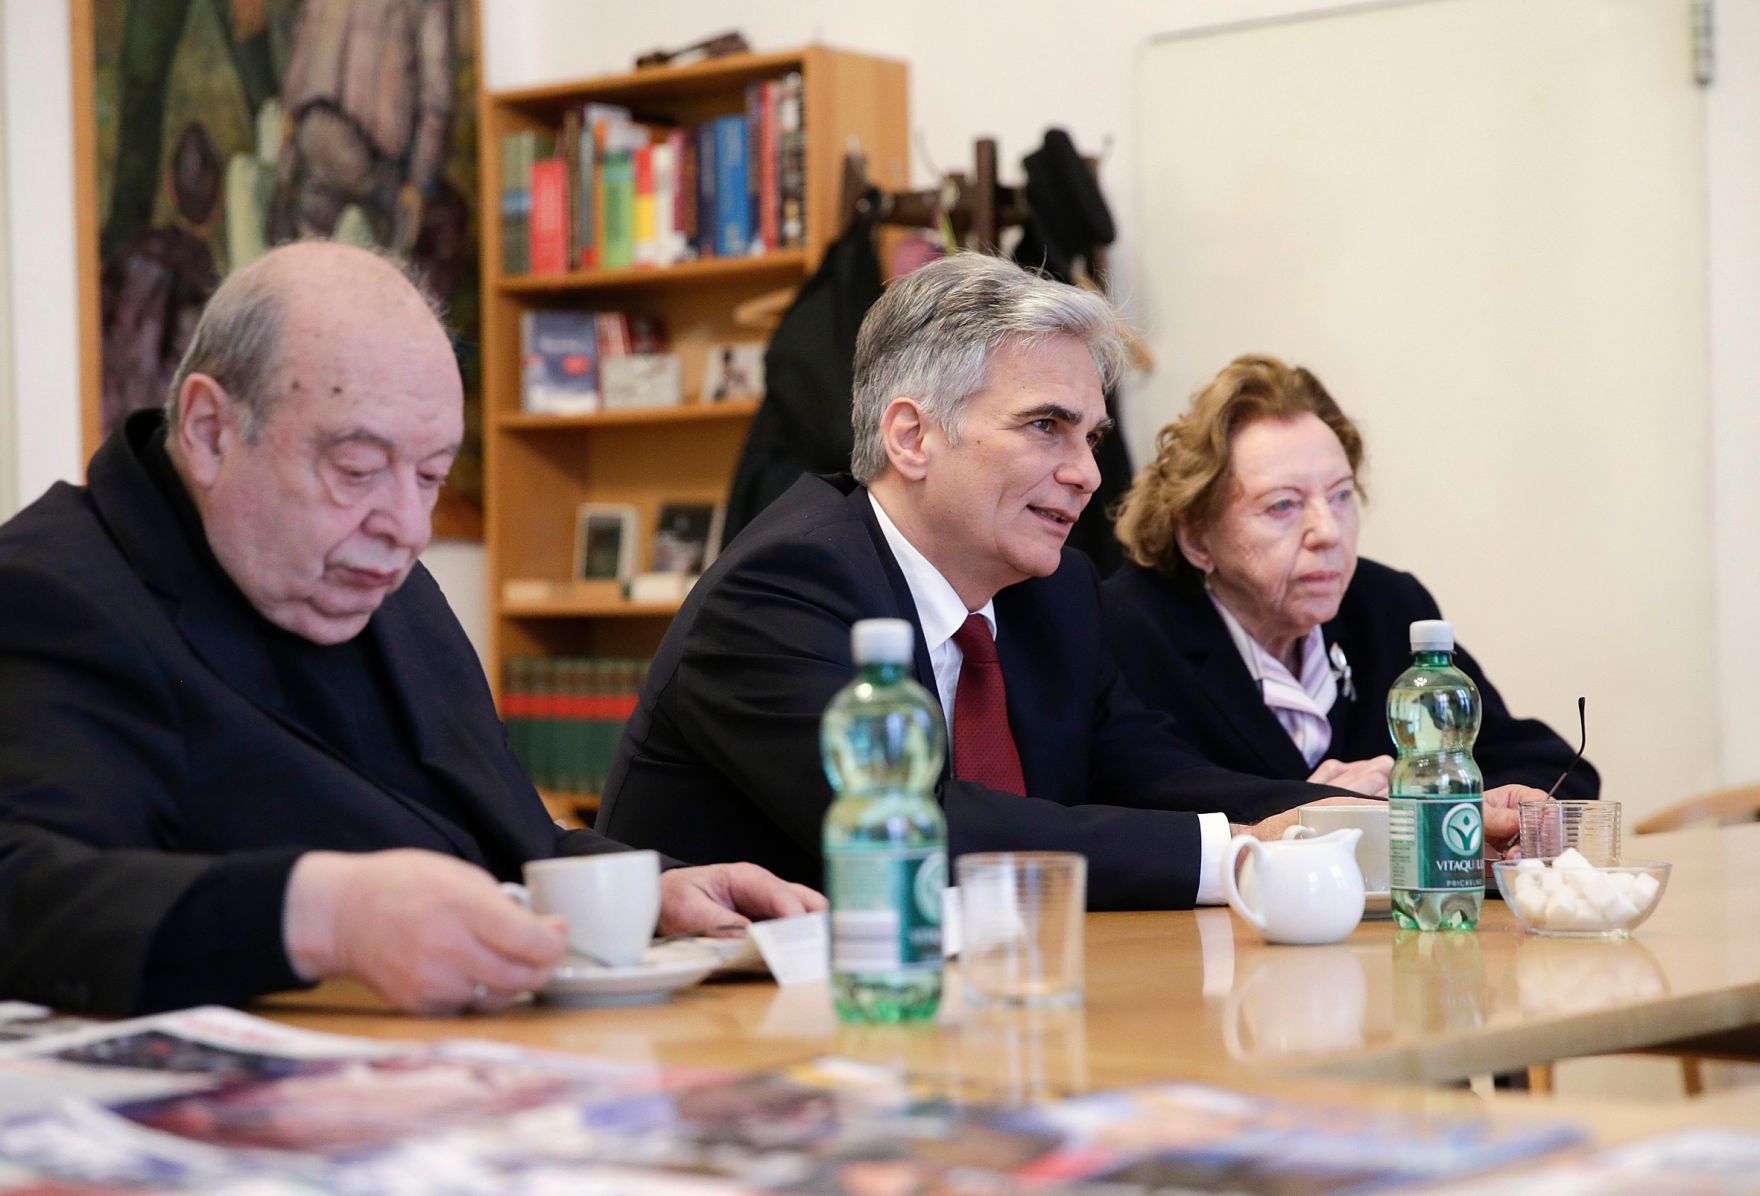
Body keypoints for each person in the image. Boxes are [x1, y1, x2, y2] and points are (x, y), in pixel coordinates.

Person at [0, 242, 821, 1018]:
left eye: (431, 476)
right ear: (211, 431)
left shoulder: (383, 581)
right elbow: (25, 891)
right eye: (357, 469)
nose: (407, 526)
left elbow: (498, 845)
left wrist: (644, 894)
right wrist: (324, 918)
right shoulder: (59, 593)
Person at [596, 255, 1378, 911]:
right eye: (1046, 427)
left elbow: (1159, 780)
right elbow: (918, 829)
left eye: (1092, 436)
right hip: (738, 1027)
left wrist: (1360, 818)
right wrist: (1240, 852)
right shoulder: (783, 587)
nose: (1088, 474)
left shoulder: (1057, 592)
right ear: (911, 437)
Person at [1103, 353, 1596, 815]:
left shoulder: (1386, 606)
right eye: (1282, 505)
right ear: (1196, 537)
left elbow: (1548, 767)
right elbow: (1140, 805)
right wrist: (1321, 809)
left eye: (1340, 496)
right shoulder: (1128, 628)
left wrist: (1462, 807)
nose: (1328, 532)